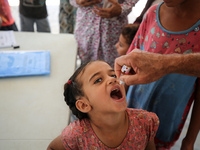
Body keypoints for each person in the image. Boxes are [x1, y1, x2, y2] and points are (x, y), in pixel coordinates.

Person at [116, 0, 200, 149]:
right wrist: (117, 93)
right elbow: (127, 65)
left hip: (166, 122)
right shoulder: (152, 14)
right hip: (130, 114)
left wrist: (190, 140)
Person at [47, 60, 159, 150]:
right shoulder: (76, 135)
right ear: (84, 105)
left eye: (113, 75)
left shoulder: (145, 121)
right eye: (98, 80)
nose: (112, 79)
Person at [70, 0, 139, 67]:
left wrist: (123, 8)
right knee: (86, 68)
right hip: (86, 28)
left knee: (115, 68)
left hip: (113, 30)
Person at [115, 49, 200, 85]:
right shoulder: (150, 14)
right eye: (100, 80)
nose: (112, 79)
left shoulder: (151, 120)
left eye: (112, 75)